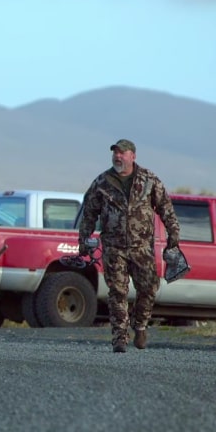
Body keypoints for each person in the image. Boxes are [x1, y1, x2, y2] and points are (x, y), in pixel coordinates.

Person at [78, 139, 180, 353]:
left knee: (149, 288)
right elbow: (88, 213)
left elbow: (165, 208)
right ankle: (119, 338)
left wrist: (173, 235)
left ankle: (140, 325)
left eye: (122, 153)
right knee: (117, 292)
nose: (117, 156)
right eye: (115, 153)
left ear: (133, 156)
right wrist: (84, 240)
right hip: (114, 248)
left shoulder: (149, 179)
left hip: (141, 247)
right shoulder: (102, 182)